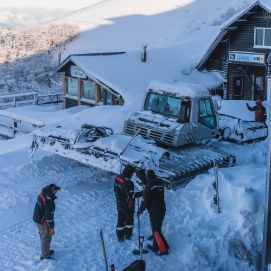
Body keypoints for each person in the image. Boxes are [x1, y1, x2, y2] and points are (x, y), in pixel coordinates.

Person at [137, 170, 169, 256]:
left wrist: (140, 210)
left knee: (155, 230)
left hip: (154, 210)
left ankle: (164, 249)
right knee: (157, 229)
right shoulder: (160, 182)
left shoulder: (149, 184)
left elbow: (145, 200)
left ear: (148, 177)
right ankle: (156, 247)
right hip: (162, 208)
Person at [114, 165, 142, 242]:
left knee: (120, 219)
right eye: (132, 173)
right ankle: (128, 235)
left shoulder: (117, 179)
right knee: (129, 221)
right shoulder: (128, 182)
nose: (132, 175)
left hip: (119, 203)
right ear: (129, 173)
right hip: (128, 205)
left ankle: (120, 236)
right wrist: (142, 193)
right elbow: (131, 195)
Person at [33, 183, 61, 260]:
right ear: (52, 190)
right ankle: (45, 255)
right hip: (42, 221)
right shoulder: (49, 201)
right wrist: (52, 227)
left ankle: (46, 251)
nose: (56, 192)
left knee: (43, 236)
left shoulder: (43, 193)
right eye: (56, 190)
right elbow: (49, 216)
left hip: (37, 218)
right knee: (46, 237)